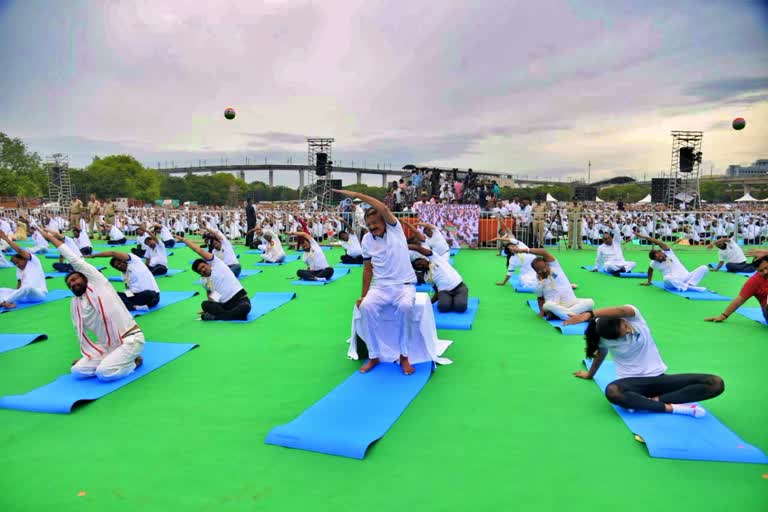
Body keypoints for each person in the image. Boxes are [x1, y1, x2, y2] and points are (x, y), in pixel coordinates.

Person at [569, 304, 724, 418]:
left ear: (623, 319)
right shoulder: (602, 339)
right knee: (612, 391)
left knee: (715, 383)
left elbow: (622, 310)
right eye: (620, 336)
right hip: (632, 383)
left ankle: (649, 402)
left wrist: (589, 314)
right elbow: (600, 355)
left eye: (625, 327)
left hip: (660, 379)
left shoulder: (635, 317)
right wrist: (590, 374)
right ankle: (674, 408)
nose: (627, 332)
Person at [37, 228, 145, 381]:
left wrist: (49, 237)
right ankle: (110, 360)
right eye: (70, 284)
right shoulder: (76, 305)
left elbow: (74, 260)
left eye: (75, 279)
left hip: (130, 339)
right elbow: (80, 331)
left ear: (85, 277)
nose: (73, 283)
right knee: (77, 371)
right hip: (107, 345)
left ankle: (134, 362)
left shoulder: (98, 283)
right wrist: (90, 355)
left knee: (103, 373)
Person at [333, 188, 418, 375]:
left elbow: (383, 209)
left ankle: (404, 356)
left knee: (405, 306)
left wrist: (355, 195)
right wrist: (363, 296)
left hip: (403, 286)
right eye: (368, 224)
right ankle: (374, 355)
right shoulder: (366, 240)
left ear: (384, 222)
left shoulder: (395, 231)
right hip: (380, 287)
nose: (371, 227)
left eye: (374, 223)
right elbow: (367, 269)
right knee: (365, 307)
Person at [508, 245, 594, 322]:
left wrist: (522, 250)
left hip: (572, 302)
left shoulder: (555, 266)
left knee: (590, 302)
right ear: (536, 271)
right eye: (540, 269)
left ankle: (564, 315)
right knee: (547, 305)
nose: (544, 270)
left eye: (544, 266)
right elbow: (540, 298)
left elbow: (543, 252)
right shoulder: (538, 283)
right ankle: (575, 316)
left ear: (547, 264)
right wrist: (542, 312)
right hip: (555, 306)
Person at [178, 235, 251, 321]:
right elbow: (211, 292)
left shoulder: (216, 264)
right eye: (200, 270)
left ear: (208, 264)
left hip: (240, 300)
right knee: (205, 304)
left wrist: (185, 240)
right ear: (199, 273)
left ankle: (218, 317)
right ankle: (231, 315)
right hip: (225, 304)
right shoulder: (204, 280)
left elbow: (198, 250)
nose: (203, 270)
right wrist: (212, 306)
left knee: (245, 307)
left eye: (203, 266)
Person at [87, 250, 161, 312]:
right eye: (116, 267)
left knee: (148, 294)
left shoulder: (134, 261)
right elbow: (128, 290)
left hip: (152, 296)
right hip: (137, 298)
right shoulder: (123, 275)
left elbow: (113, 253)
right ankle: (135, 307)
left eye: (119, 264)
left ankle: (128, 305)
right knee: (114, 295)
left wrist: (93, 255)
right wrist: (122, 296)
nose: (118, 266)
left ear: (123, 260)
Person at [705, 254, 768, 324]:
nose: (765, 272)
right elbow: (740, 299)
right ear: (756, 270)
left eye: (766, 268)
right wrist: (723, 316)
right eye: (761, 270)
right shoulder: (754, 281)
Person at [636, 232, 708, 292]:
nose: (660, 258)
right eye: (658, 258)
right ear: (655, 260)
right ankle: (689, 287)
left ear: (660, 251)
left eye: (660, 255)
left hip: (686, 277)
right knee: (667, 279)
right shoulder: (654, 263)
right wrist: (649, 282)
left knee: (704, 268)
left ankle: (690, 284)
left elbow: (657, 242)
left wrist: (643, 236)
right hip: (672, 281)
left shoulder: (668, 252)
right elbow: (650, 270)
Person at [409, 244, 468, 312]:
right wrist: (429, 303)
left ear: (424, 259)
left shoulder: (435, 258)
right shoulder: (426, 277)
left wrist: (405, 245)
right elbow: (437, 291)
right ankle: (452, 299)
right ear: (419, 269)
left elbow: (418, 248)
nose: (421, 265)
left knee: (460, 308)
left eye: (420, 262)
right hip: (444, 291)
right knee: (442, 308)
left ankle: (457, 298)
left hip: (459, 287)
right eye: (418, 266)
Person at [0, 232, 48, 309]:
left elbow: (19, 250)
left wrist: (6, 239)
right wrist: (16, 294)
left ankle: (6, 302)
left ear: (24, 258)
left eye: (18, 262)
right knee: (2, 290)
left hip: (38, 295)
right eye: (15, 264)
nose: (17, 265)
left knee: (27, 288)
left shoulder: (33, 261)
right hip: (23, 297)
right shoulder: (18, 269)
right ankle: (5, 301)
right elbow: (19, 284)